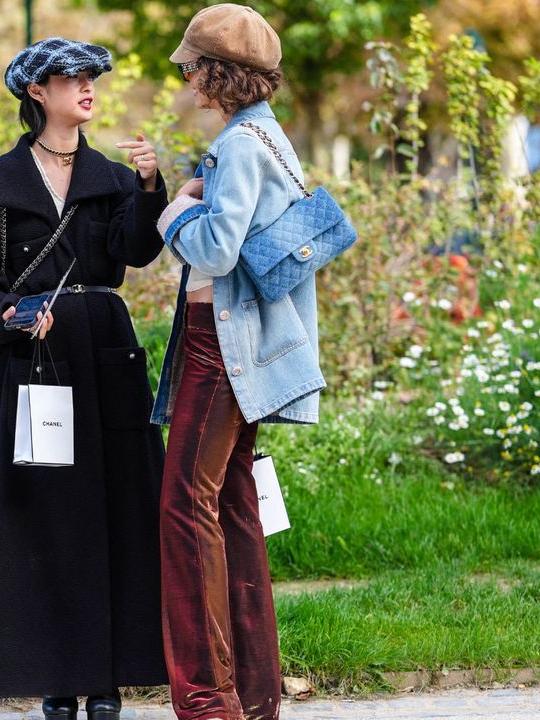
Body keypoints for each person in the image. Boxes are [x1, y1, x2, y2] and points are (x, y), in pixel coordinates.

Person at [0, 37, 170, 720]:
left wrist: (149, 187)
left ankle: (107, 681)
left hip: (106, 352)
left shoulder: (111, 176)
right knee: (46, 521)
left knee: (115, 515)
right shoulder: (0, 183)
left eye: (90, 77)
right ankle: (57, 679)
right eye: (70, 78)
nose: (87, 87)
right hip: (36, 362)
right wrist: (12, 313)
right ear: (36, 93)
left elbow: (134, 253)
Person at [150, 5, 327, 720]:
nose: (187, 78)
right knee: (231, 506)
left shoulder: (239, 145)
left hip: (217, 342)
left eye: (192, 66)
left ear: (219, 71)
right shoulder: (270, 139)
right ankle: (251, 700)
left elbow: (217, 251)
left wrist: (172, 211)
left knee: (184, 507)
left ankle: (206, 704)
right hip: (241, 343)